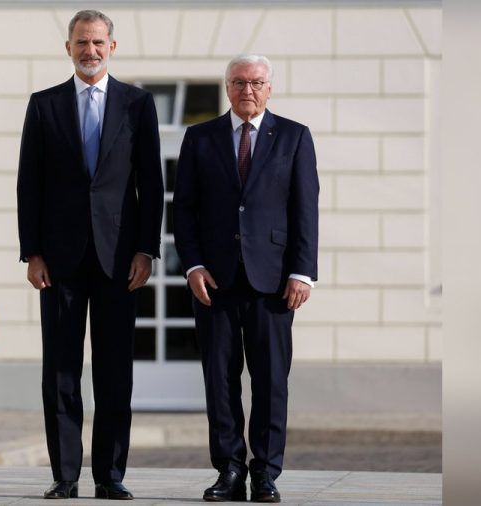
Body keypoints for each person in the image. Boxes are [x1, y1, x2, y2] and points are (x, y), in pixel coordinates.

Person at [16, 10, 164, 501]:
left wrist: (147, 249)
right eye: (82, 42)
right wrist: (32, 252)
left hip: (120, 258)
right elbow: (28, 185)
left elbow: (151, 183)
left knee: (114, 370)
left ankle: (110, 474)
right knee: (60, 370)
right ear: (68, 48)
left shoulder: (138, 105)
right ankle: (65, 474)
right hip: (59, 260)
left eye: (98, 42)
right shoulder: (44, 105)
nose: (90, 50)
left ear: (112, 47)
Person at [172, 54, 319, 503]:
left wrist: (303, 272)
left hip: (274, 281)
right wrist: (193, 265)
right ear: (227, 88)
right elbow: (184, 209)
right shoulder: (199, 137)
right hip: (214, 281)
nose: (247, 90)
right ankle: (230, 470)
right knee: (220, 378)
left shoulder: (294, 136)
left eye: (256, 82)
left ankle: (266, 472)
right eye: (238, 82)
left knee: (271, 379)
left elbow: (305, 209)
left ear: (270, 88)